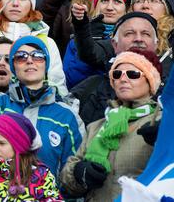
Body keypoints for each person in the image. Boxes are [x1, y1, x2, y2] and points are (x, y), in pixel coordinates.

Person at [0, 25, 85, 177]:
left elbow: (71, 179)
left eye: (37, 55)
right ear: (13, 67)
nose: (30, 61)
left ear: (46, 65)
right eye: (21, 57)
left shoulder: (67, 116)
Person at [60, 49, 163, 201]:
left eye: (133, 74)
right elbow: (68, 178)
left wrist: (166, 140)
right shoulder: (96, 126)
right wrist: (78, 173)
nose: (123, 79)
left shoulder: (162, 121)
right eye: (117, 74)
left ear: (150, 81)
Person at [70, 12, 160, 126]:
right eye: (129, 33)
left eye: (145, 34)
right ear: (114, 44)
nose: (138, 39)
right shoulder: (91, 87)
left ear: (157, 45)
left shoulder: (168, 90)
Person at [64, 0, 129, 89]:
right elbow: (71, 79)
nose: (109, 7)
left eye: (117, 1)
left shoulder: (131, 41)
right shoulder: (77, 39)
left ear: (127, 9)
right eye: (104, 0)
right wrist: (88, 38)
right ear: (96, 5)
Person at [126, 0, 174, 73]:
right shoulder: (118, 35)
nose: (145, 5)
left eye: (153, 0)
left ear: (166, 8)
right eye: (139, 1)